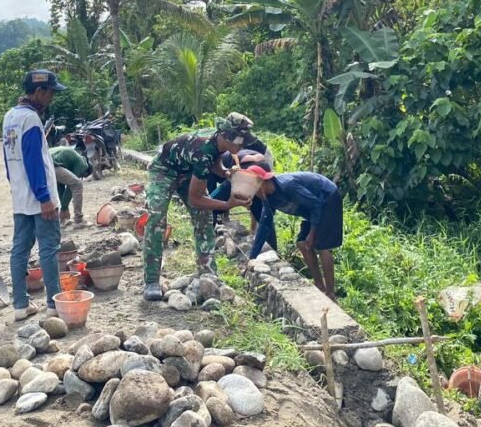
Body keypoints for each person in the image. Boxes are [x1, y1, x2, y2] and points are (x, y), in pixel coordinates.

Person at [142, 112, 256, 302]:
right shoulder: (203, 152)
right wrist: (227, 204)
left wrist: (226, 173)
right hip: (164, 170)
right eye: (240, 141)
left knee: (204, 217)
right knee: (157, 217)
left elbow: (216, 159)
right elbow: (196, 199)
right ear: (227, 137)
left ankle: (208, 273)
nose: (243, 145)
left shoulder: (218, 142)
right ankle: (151, 280)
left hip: (187, 171)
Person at [2, 69, 66, 321]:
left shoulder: (10, 117)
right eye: (50, 92)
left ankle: (20, 304)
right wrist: (45, 197)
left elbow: (9, 162)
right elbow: (33, 162)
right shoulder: (30, 119)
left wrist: (17, 186)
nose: (51, 97)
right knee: (49, 248)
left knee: (20, 249)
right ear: (39, 91)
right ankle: (53, 304)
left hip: (20, 196)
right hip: (40, 198)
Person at [245, 166, 344, 300]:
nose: (255, 193)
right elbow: (264, 226)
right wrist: (252, 258)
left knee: (322, 246)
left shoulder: (288, 186)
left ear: (262, 183)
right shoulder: (268, 198)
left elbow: (316, 204)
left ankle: (331, 294)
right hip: (312, 208)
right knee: (302, 243)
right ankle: (319, 286)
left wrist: (313, 231)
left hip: (327, 198)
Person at [49, 144, 90, 225]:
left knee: (61, 184)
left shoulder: (70, 159)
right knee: (77, 184)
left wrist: (65, 207)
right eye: (83, 175)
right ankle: (79, 220)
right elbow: (71, 187)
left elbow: (60, 187)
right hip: (52, 164)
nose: (81, 175)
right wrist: (64, 207)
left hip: (44, 164)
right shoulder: (82, 164)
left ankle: (62, 220)